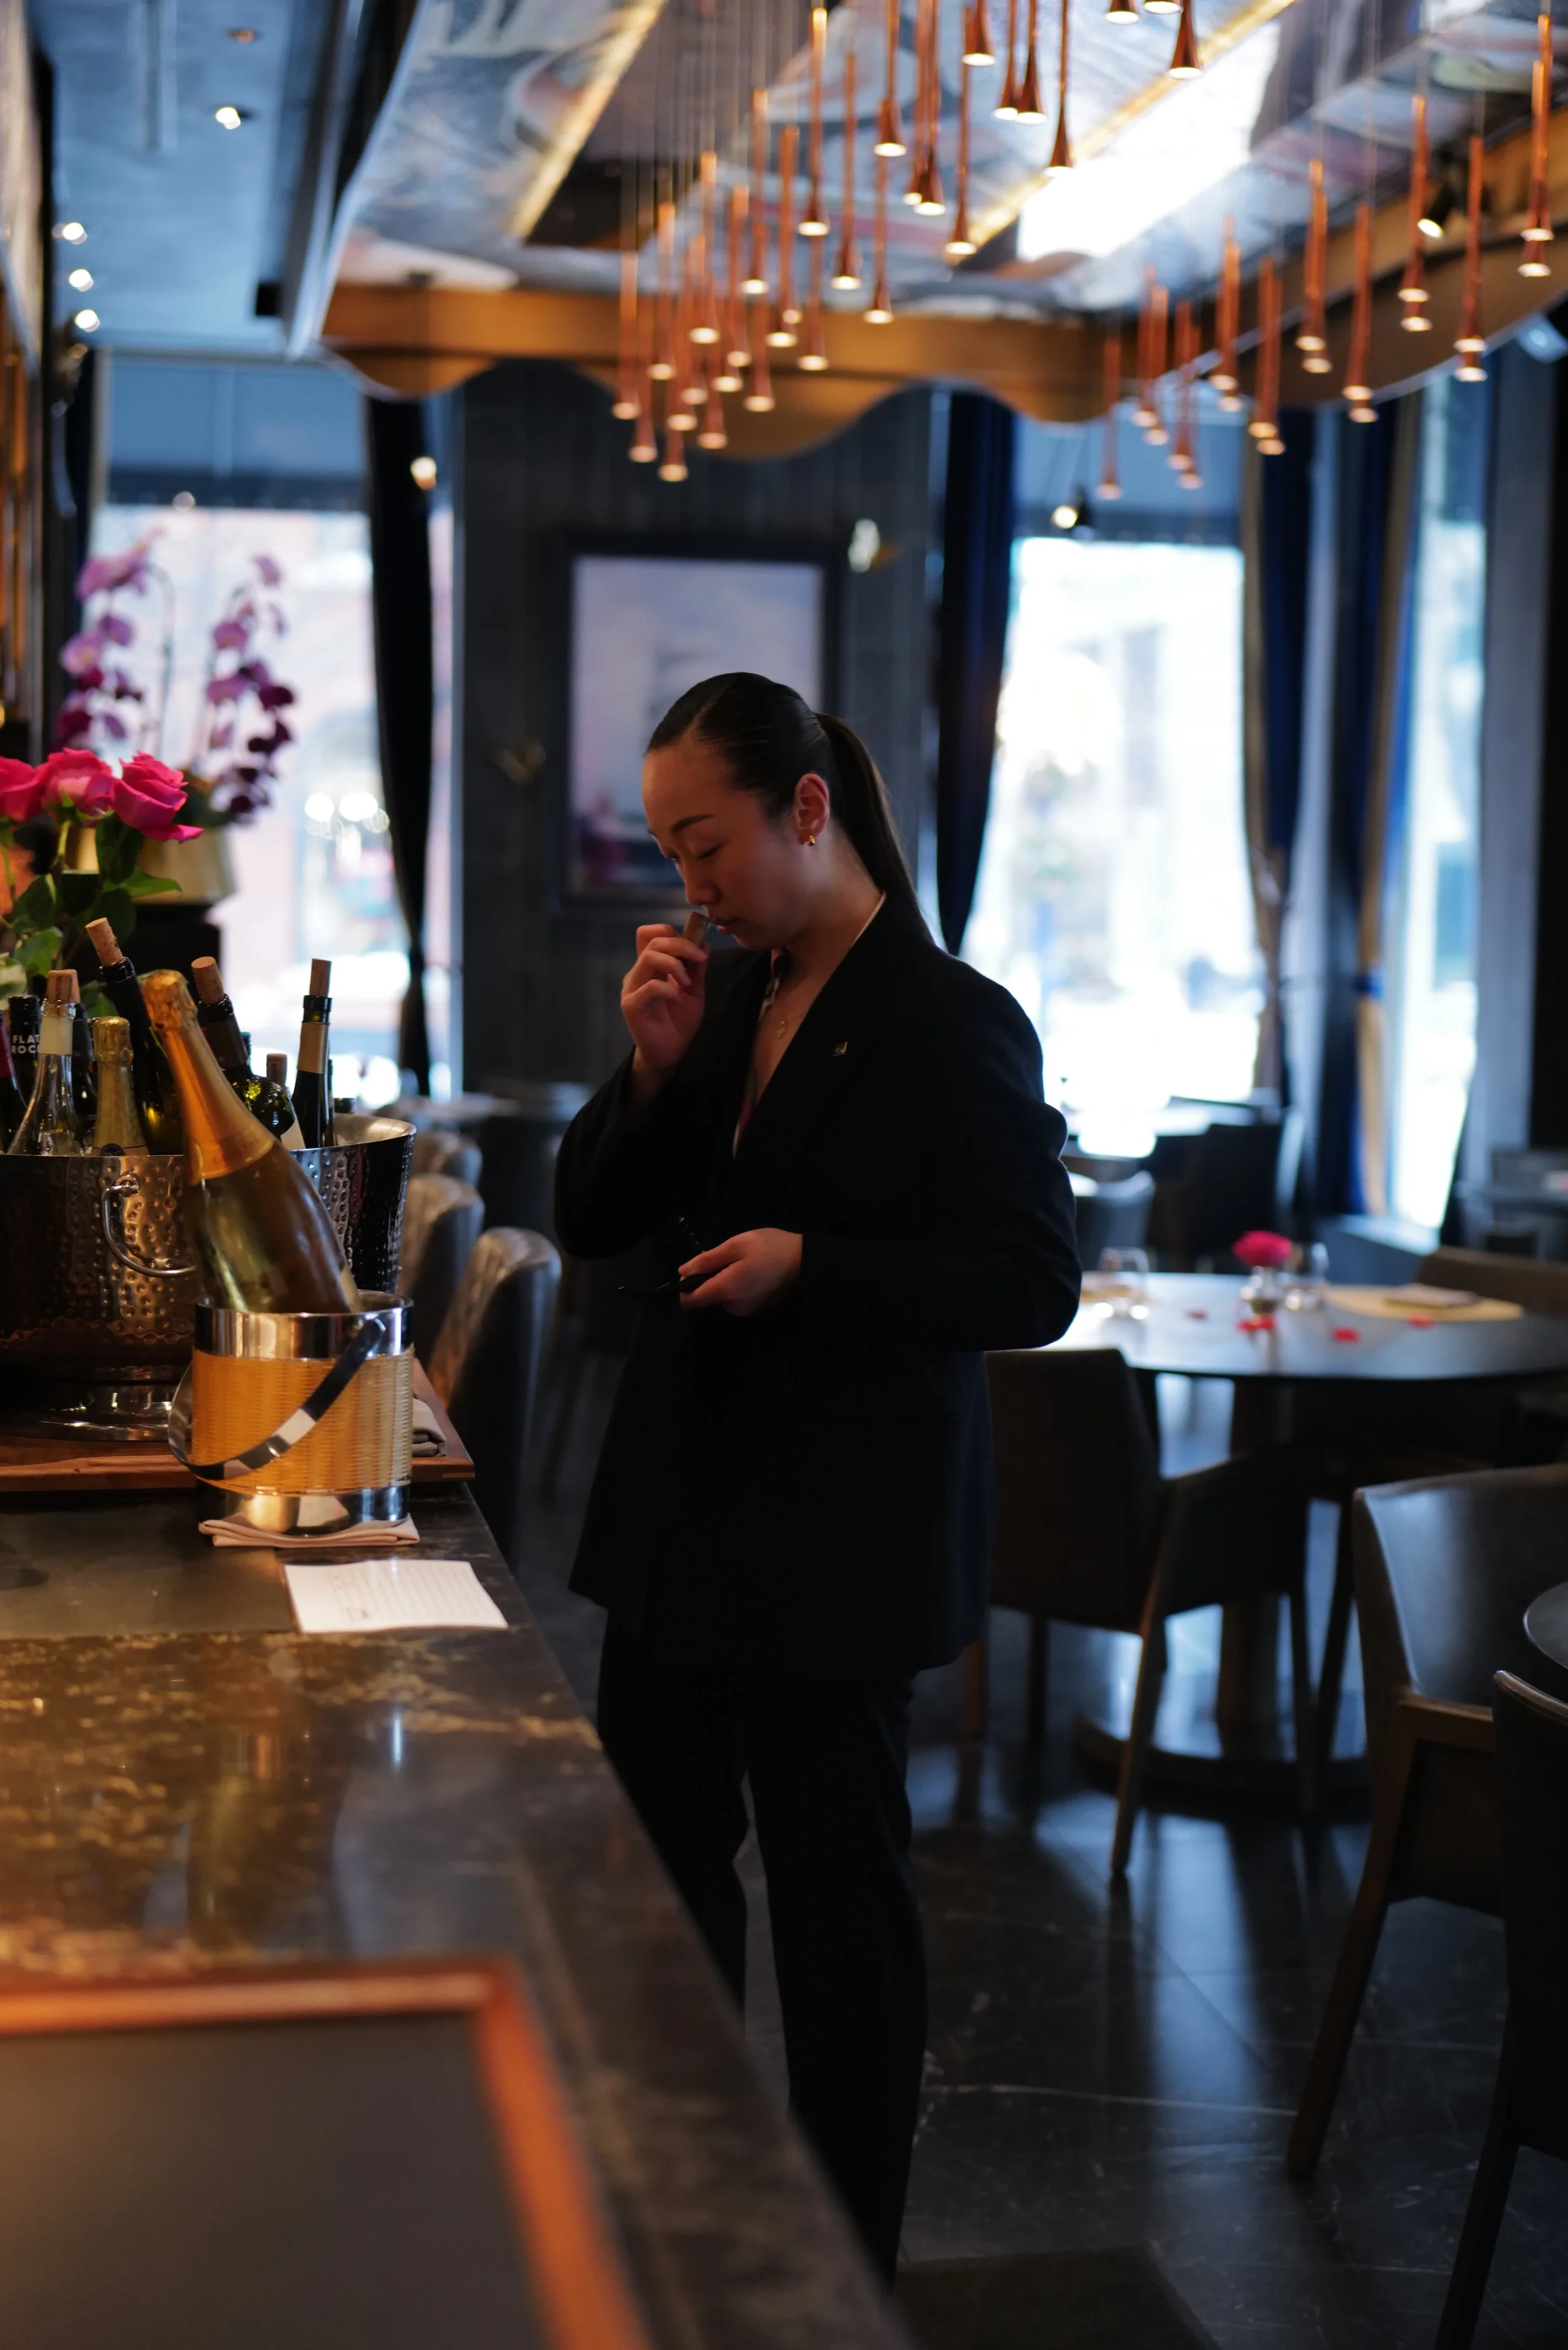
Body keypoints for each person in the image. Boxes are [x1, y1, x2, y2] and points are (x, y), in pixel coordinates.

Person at [554, 672, 1079, 2281]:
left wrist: (815, 1265)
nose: (687, 883)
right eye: (667, 848)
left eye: (703, 842)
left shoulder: (947, 1016)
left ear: (803, 808)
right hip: (677, 1527)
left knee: (841, 1919)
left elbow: (1031, 1279)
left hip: (833, 1543)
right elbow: (593, 1218)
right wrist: (652, 1070)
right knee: (660, 1899)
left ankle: (845, 2261)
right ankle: (695, 2220)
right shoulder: (731, 999)